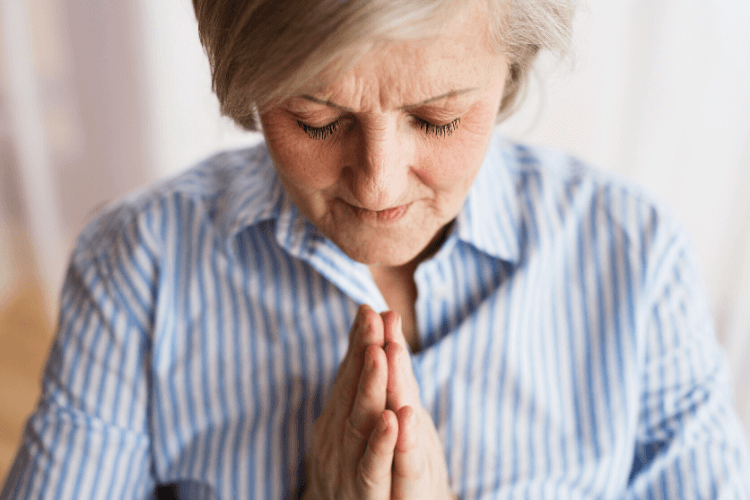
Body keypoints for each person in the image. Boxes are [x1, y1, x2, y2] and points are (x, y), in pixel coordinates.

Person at [2, 0, 750, 498]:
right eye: (319, 119)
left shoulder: (633, 257)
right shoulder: (138, 263)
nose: (378, 182)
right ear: (251, 84)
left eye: (437, 117)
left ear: (510, 72)